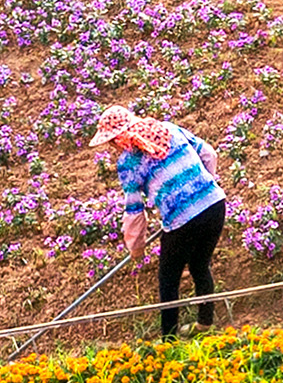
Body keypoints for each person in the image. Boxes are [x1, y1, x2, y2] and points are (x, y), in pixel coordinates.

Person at [88, 104, 226, 338]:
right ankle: (204, 324)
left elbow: (134, 210)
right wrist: (204, 185)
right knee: (200, 265)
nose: (112, 147)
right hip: (215, 205)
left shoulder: (128, 163)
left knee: (168, 280)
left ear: (118, 138)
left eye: (111, 142)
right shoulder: (169, 129)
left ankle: (169, 341)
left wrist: (136, 247)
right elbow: (209, 154)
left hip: (182, 221)